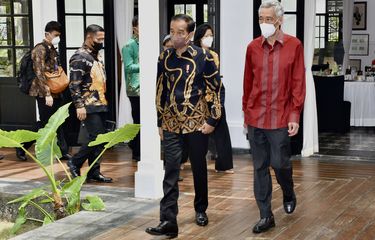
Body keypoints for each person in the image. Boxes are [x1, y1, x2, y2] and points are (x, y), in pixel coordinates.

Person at [145, 14, 223, 238]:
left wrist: (212, 120)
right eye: (172, 30)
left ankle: (200, 209)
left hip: (198, 123)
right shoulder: (164, 57)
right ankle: (168, 220)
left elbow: (214, 89)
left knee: (199, 167)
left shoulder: (205, 57)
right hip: (170, 122)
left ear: (189, 35)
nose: (175, 36)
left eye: (180, 32)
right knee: (171, 170)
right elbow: (160, 90)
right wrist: (160, 120)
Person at [242, 0, 305, 234]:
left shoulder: (294, 45)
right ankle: (265, 215)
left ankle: (288, 191)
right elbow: (248, 82)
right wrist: (246, 112)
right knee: (259, 167)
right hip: (256, 116)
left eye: (268, 19)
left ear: (279, 20)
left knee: (280, 164)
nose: (264, 23)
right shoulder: (252, 47)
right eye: (261, 19)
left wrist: (295, 113)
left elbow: (298, 82)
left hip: (280, 117)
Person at [16, 21, 70, 161]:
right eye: (56, 35)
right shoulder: (40, 49)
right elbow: (39, 73)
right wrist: (47, 94)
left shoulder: (52, 48)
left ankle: (63, 151)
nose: (58, 37)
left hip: (55, 90)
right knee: (45, 123)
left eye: (59, 35)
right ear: (47, 34)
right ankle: (22, 145)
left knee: (58, 121)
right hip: (43, 92)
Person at [67, 24, 112, 183]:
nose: (101, 41)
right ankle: (75, 161)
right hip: (88, 104)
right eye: (98, 39)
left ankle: (94, 170)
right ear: (88, 37)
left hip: (101, 102)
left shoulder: (96, 55)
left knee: (100, 139)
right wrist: (79, 105)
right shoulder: (80, 57)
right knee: (96, 137)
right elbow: (74, 84)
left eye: (102, 39)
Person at [193, 23, 234, 173]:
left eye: (211, 36)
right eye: (206, 36)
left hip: (215, 94)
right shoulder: (194, 54)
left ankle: (224, 164)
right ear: (199, 38)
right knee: (195, 130)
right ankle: (185, 160)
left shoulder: (214, 55)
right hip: (198, 96)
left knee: (221, 128)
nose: (209, 38)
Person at [122, 16, 140, 162]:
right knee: (139, 120)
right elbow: (128, 67)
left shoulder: (146, 42)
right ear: (134, 27)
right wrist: (145, 64)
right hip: (135, 89)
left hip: (148, 88)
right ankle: (137, 151)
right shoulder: (129, 45)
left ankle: (136, 146)